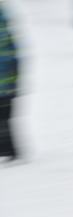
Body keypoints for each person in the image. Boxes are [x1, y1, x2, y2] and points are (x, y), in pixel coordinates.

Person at [0, 1, 19, 161]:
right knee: (4, 116)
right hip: (8, 78)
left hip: (5, 79)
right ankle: (9, 150)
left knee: (4, 115)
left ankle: (9, 150)